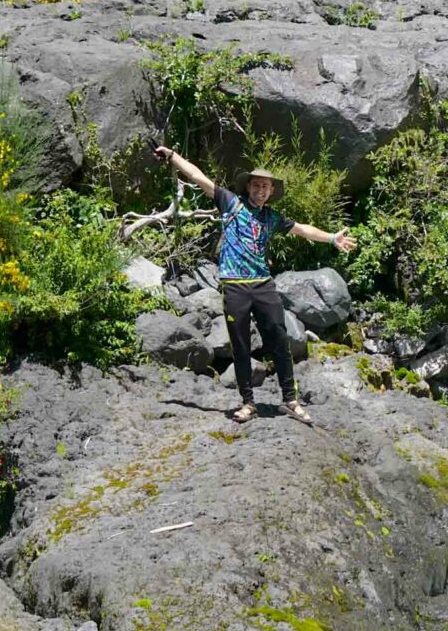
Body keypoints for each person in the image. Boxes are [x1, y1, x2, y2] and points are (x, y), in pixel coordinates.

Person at [153, 145, 358, 424]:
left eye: (266, 186)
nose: (261, 190)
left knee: (279, 340)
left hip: (263, 285)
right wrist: (173, 157)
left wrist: (332, 237)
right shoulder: (230, 202)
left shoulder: (271, 217)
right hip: (234, 286)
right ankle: (248, 403)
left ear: (271, 191)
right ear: (248, 187)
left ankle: (290, 401)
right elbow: (199, 177)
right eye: (257, 185)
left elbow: (303, 230)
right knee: (240, 345)